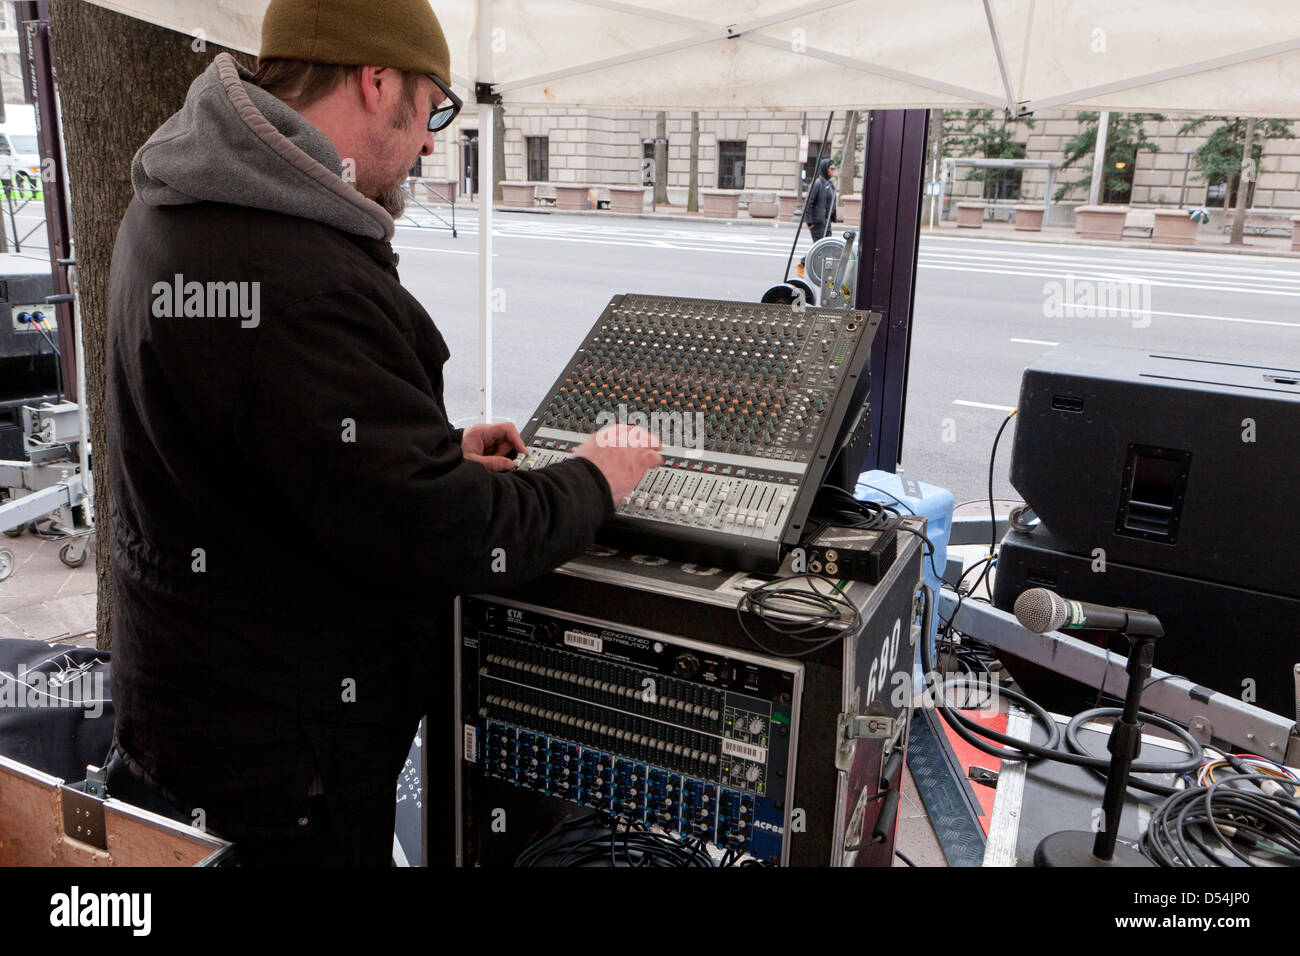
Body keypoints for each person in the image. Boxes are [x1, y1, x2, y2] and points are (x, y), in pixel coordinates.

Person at [104, 0, 661, 865]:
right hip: (281, 771)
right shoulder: (291, 265)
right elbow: (436, 531)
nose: (435, 141)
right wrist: (595, 478)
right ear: (376, 82)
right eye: (433, 107)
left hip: (186, 716)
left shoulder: (176, 204)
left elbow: (282, 451)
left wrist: (430, 449)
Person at [805, 158, 839, 241]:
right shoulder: (817, 183)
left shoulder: (830, 184)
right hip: (818, 223)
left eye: (834, 169)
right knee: (820, 249)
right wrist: (810, 223)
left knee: (827, 248)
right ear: (825, 169)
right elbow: (809, 203)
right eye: (832, 169)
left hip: (827, 222)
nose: (833, 171)